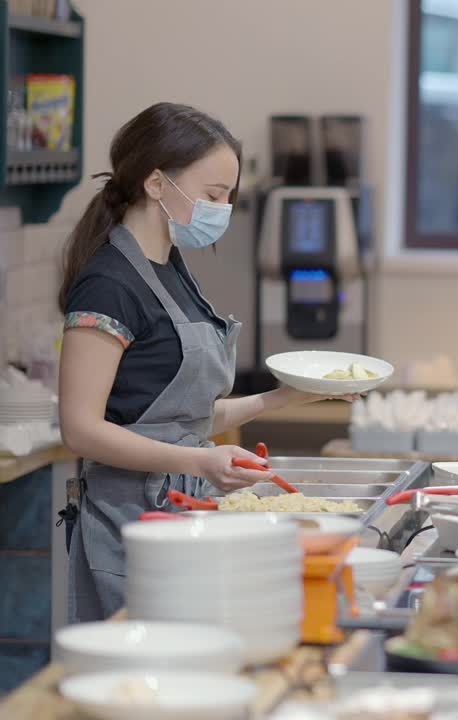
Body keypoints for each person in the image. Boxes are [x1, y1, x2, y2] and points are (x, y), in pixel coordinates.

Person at [58, 103, 350, 623]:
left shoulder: (171, 269)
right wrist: (200, 461)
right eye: (214, 196)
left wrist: (283, 397)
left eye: (229, 198)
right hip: (133, 527)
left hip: (179, 511)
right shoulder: (109, 284)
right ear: (155, 183)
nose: (223, 210)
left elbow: (177, 421)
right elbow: (80, 430)